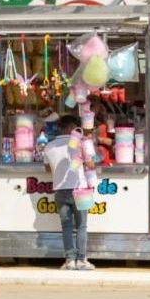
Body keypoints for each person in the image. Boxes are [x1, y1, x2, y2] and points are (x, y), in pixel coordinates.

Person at [43, 114, 92, 270]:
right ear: (73, 128)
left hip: (60, 190)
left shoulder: (49, 146)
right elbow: (90, 164)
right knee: (82, 226)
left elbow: (46, 169)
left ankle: (70, 260)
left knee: (67, 227)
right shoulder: (80, 144)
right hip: (80, 188)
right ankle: (82, 260)